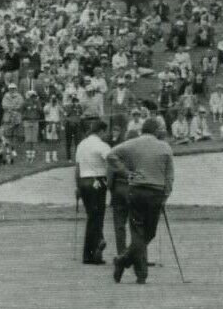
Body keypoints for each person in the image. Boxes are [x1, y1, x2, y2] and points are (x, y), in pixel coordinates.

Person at [107, 115, 175, 285]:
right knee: (148, 233)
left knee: (138, 232)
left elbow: (111, 155)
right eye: (160, 128)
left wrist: (126, 173)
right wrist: (165, 195)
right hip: (156, 193)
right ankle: (141, 274)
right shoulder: (165, 147)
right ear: (154, 130)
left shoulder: (133, 143)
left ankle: (123, 260)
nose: (162, 131)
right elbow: (170, 176)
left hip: (137, 191)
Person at [74, 119, 111, 265]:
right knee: (97, 216)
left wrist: (77, 187)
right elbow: (111, 162)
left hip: (83, 181)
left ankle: (92, 252)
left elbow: (77, 167)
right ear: (101, 131)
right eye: (105, 132)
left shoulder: (81, 144)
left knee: (91, 216)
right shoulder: (102, 145)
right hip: (97, 181)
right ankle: (95, 249)